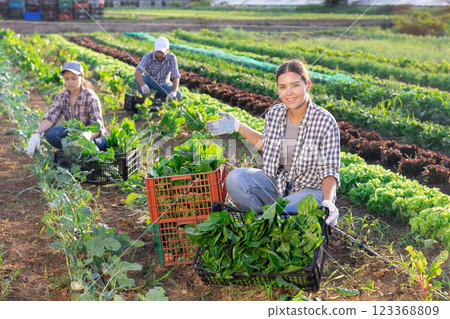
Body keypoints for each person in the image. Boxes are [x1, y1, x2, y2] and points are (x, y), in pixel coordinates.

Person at [205, 59, 340, 226]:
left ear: (308, 85)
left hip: (312, 190)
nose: (288, 92)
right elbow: (265, 144)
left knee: (278, 213)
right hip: (280, 184)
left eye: (295, 85)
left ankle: (269, 223)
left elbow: (329, 170)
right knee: (235, 178)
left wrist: (328, 201)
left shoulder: (325, 121)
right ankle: (257, 227)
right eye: (282, 87)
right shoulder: (274, 114)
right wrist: (238, 126)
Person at [26, 61, 107, 156]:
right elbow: (51, 117)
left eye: (74, 79)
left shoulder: (90, 97)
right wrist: (37, 132)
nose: (70, 82)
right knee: (49, 133)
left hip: (93, 139)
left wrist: (87, 135)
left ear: (82, 77)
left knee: (93, 146)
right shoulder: (62, 97)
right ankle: (71, 151)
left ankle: (81, 153)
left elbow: (98, 126)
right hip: (74, 137)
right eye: (66, 79)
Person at [135, 36, 182, 103]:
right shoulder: (148, 56)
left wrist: (173, 92)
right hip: (150, 82)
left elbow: (176, 76)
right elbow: (138, 71)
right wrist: (143, 85)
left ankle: (161, 98)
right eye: (158, 52)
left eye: (161, 52)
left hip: (164, 85)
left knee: (178, 95)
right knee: (140, 78)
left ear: (167, 49)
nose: (159, 55)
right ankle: (145, 99)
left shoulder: (171, 57)